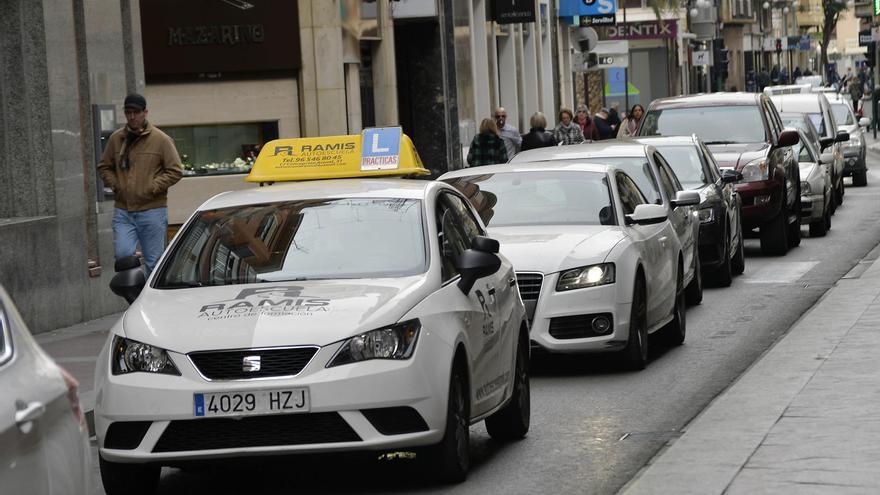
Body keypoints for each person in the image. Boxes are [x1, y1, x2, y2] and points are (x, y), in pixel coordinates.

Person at [97, 93, 182, 277]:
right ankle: (136, 291)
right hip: (123, 211)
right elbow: (104, 167)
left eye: (136, 112)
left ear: (145, 112)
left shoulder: (161, 140)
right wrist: (116, 185)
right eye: (128, 112)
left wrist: (152, 187)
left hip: (152, 211)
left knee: (154, 262)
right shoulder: (116, 139)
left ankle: (151, 301)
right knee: (123, 256)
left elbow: (175, 170)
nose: (132, 116)